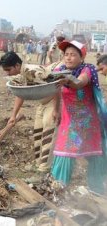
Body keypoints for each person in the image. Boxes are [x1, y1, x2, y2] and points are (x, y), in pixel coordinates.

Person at [52, 40, 107, 194]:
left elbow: (79, 83)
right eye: (66, 54)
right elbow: (55, 90)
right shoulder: (60, 70)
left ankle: (96, 189)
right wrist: (56, 109)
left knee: (94, 153)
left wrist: (67, 80)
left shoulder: (88, 69)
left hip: (88, 122)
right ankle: (58, 189)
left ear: (82, 57)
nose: (68, 58)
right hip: (69, 120)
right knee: (64, 152)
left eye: (73, 55)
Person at [0, 51, 60, 172]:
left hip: (53, 103)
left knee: (48, 135)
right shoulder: (20, 75)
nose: (7, 73)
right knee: (38, 133)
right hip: (42, 104)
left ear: (17, 65)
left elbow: (57, 86)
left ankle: (44, 169)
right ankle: (38, 164)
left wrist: (57, 109)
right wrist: (13, 116)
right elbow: (20, 94)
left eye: (8, 69)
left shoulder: (33, 72)